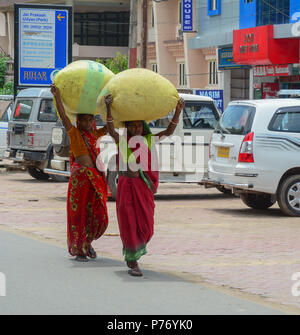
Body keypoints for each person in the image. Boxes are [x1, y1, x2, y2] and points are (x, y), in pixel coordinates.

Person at [104, 94, 185, 276]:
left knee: (147, 227)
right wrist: (109, 108)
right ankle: (132, 261)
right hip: (126, 187)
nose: (136, 128)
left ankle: (135, 252)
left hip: (143, 188)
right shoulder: (123, 141)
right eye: (132, 125)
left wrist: (178, 112)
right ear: (127, 127)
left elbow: (168, 132)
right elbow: (111, 131)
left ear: (144, 126)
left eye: (139, 125)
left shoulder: (148, 141)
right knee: (130, 223)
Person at [51, 84, 109, 262]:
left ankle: (88, 242)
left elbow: (110, 125)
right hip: (80, 180)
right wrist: (57, 97)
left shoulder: (96, 134)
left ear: (93, 121)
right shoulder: (74, 133)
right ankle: (79, 248)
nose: (86, 123)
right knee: (79, 214)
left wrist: (108, 106)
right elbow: (63, 116)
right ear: (78, 121)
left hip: (94, 179)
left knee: (96, 212)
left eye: (88, 120)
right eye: (82, 120)